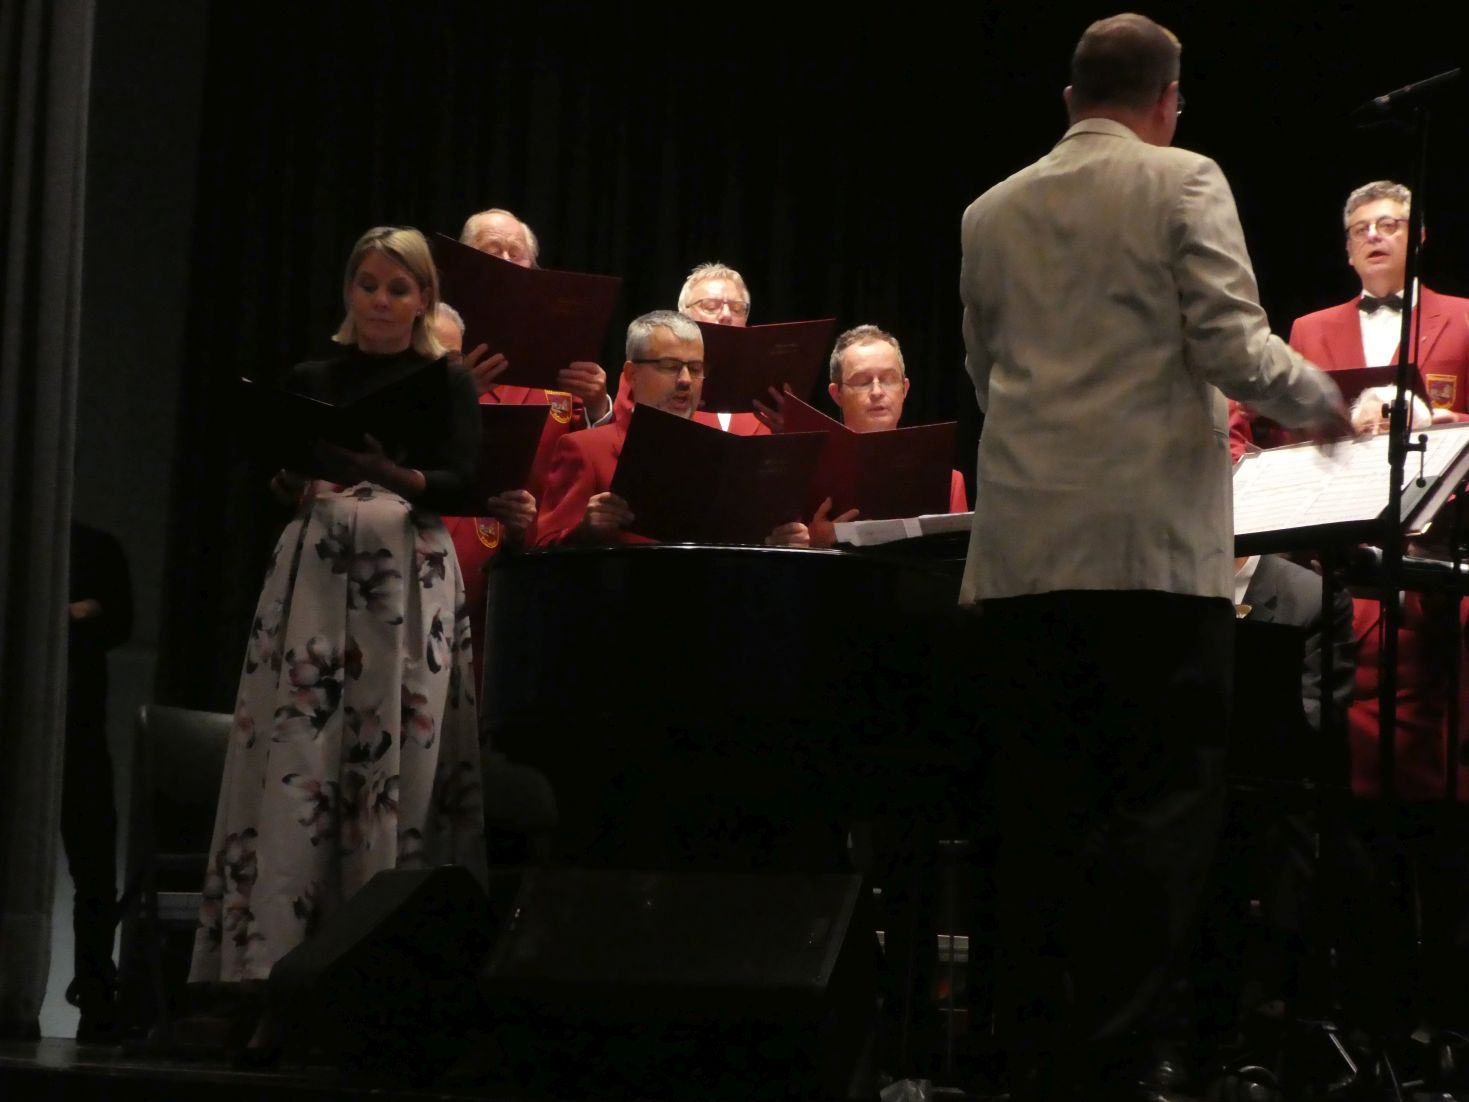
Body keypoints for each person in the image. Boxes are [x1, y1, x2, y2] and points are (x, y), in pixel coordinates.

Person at [957, 14, 1347, 1100]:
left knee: (1039, 819)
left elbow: (984, 376)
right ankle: (1118, 1061)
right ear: (1167, 100)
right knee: (1157, 815)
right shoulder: (1182, 179)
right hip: (1147, 561)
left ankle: (1033, 1065)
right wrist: (1328, 404)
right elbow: (1229, 345)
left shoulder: (987, 210)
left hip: (1022, 563)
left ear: (1068, 96)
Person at [190, 228, 486, 1004]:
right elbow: (273, 472)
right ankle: (272, 967)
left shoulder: (445, 379)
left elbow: (464, 481)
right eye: (368, 285)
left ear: (423, 298)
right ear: (349, 292)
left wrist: (396, 472)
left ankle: (390, 974)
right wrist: (291, 473)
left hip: (403, 571)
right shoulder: (314, 376)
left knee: (398, 752)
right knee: (302, 748)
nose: (380, 300)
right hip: (318, 565)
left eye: (398, 288)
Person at [534, 310, 809, 548]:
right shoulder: (585, 448)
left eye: (696, 368)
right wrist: (585, 530)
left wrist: (785, 538)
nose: (686, 380)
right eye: (670, 366)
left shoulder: (725, 452)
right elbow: (541, 550)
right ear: (631, 374)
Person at [1234, 181, 1469, 448]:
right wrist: (1265, 414)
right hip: (1339, 474)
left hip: (1436, 470)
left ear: (1418, 237)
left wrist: (1457, 423)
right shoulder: (1309, 330)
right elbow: (1291, 438)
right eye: (1360, 230)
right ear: (1349, 251)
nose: (1373, 236)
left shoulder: (1463, 317)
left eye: (1388, 225)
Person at [430, 302, 538, 690]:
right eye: (426, 357)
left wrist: (518, 529)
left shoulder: (489, 431)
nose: (443, 371)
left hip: (471, 640)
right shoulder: (373, 423)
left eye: (452, 360)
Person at [64, 521, 133, 1041]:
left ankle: (94, 987)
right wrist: (78, 612)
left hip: (79, 723)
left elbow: (120, 622)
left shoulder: (93, 545)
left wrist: (84, 614)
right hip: (68, 722)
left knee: (94, 861)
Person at [457, 207, 611, 428]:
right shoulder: (441, 333)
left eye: (515, 254)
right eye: (493, 252)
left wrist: (597, 407)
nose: (506, 261)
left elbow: (583, 438)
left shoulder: (561, 343)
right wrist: (460, 395)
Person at [825, 324, 968, 511]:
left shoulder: (949, 482)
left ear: (904, 389)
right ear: (837, 394)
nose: (877, 392)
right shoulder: (808, 478)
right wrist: (812, 531)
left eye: (888, 379)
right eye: (862, 381)